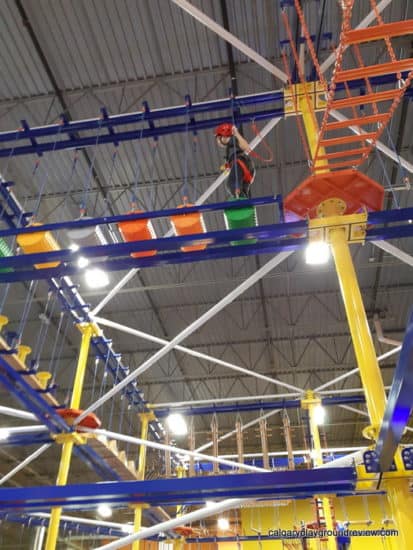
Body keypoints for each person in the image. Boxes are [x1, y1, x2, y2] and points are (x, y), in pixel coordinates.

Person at [215, 123, 256, 199]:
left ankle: (238, 200)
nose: (218, 142)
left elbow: (246, 147)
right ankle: (244, 203)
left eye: (219, 138)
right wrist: (227, 166)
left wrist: (236, 134)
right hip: (245, 168)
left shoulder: (234, 140)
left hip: (242, 163)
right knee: (243, 190)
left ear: (224, 135)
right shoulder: (229, 148)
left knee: (231, 184)